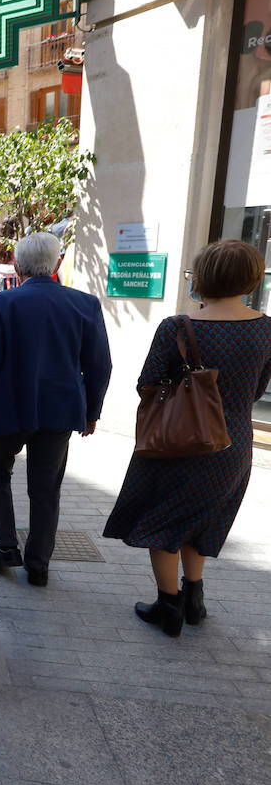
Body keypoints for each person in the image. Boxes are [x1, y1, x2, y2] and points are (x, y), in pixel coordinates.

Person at [103, 240, 271, 635]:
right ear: (250, 278)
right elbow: (258, 389)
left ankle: (168, 606)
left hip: (176, 441)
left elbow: (147, 383)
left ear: (204, 276)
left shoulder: (178, 327)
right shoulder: (266, 328)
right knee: (204, 516)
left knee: (161, 521)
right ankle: (194, 597)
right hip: (233, 443)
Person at [0, 231, 112, 587]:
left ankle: (6, 545)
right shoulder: (85, 304)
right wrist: (91, 412)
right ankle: (39, 562)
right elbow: (99, 365)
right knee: (46, 488)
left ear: (17, 265)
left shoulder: (2, 304)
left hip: (7, 407)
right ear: (58, 263)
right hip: (59, 410)